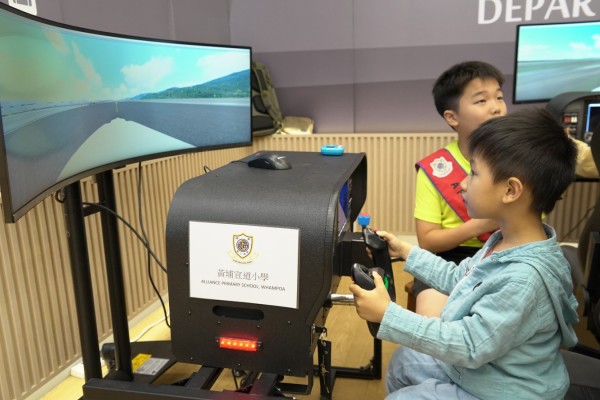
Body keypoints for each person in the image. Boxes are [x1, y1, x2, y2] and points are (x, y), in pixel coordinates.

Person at [350, 108, 579, 399]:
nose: (463, 183)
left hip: (506, 392)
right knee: (404, 362)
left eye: (474, 173)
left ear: (511, 190)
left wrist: (388, 316)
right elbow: (461, 278)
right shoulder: (504, 240)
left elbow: (469, 345)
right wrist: (406, 251)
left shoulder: (524, 281)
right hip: (486, 370)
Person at [413, 61, 507, 317]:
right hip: (449, 259)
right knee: (433, 326)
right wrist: (480, 225)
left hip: (507, 255)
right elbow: (427, 241)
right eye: (481, 100)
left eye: (499, 97)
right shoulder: (434, 168)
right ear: (452, 117)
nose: (496, 107)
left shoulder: (521, 159)